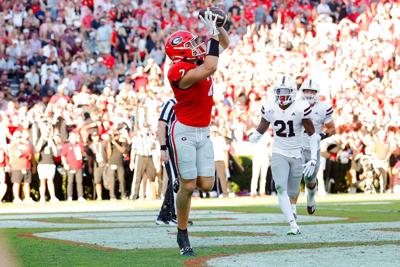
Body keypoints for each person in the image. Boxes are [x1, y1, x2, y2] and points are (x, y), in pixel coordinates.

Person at [164, 10, 229, 256]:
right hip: (184, 131)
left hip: (204, 131)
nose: (195, 46)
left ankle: (183, 181)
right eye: (190, 45)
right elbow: (211, 66)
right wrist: (211, 32)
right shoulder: (177, 71)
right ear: (180, 53)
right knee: (189, 187)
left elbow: (224, 43)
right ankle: (182, 233)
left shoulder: (197, 59)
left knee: (207, 184)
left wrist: (218, 26)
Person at [249, 75, 319, 235]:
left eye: (285, 91)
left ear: (293, 92)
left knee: (293, 192)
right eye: (279, 91)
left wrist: (313, 158)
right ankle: (292, 223)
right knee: (281, 187)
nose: (281, 95)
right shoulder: (270, 107)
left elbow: (312, 134)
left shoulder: (301, 107)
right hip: (279, 152)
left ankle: (293, 211)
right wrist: (256, 135)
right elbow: (264, 123)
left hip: (296, 153)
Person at [295, 78, 336, 215]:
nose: (309, 94)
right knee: (293, 177)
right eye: (306, 90)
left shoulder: (323, 107)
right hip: (297, 147)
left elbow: (332, 128)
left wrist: (321, 136)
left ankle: (311, 196)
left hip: (313, 149)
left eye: (312, 91)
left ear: (317, 93)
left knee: (310, 180)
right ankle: (292, 210)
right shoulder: (294, 105)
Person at [35, 121, 59, 202]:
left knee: (50, 180)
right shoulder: (39, 139)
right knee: (42, 181)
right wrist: (42, 138)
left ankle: (53, 197)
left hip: (50, 163)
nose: (47, 131)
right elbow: (37, 149)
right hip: (42, 163)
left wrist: (51, 142)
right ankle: (42, 197)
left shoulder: (52, 140)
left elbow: (56, 154)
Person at [9, 130, 34, 203]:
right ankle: (16, 198)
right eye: (17, 137)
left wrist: (24, 153)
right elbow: (17, 154)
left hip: (26, 166)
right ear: (14, 138)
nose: (19, 138)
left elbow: (30, 154)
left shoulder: (26, 145)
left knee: (27, 183)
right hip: (17, 167)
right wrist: (25, 153)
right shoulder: (13, 146)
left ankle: (27, 198)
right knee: (17, 183)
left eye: (20, 137)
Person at [61, 132, 86, 202]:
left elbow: (84, 154)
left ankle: (80, 196)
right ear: (69, 138)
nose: (73, 139)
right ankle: (69, 197)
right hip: (70, 167)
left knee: (79, 182)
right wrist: (65, 164)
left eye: (75, 137)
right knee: (70, 181)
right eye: (72, 137)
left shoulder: (79, 145)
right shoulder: (66, 146)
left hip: (79, 166)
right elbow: (62, 156)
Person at [89, 131, 108, 201]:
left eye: (96, 136)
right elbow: (89, 158)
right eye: (94, 137)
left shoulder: (103, 143)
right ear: (92, 138)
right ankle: (99, 196)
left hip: (105, 164)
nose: (95, 138)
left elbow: (108, 151)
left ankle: (111, 195)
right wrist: (90, 167)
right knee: (97, 181)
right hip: (96, 166)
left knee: (108, 181)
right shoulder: (90, 146)